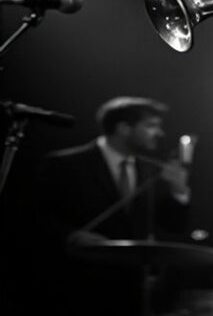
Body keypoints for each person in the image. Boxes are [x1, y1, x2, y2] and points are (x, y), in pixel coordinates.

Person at [33, 96, 192, 316]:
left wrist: (179, 191)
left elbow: (173, 227)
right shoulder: (65, 164)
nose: (160, 133)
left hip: (132, 292)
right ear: (124, 128)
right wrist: (70, 236)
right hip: (78, 288)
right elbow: (33, 218)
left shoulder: (153, 170)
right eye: (151, 126)